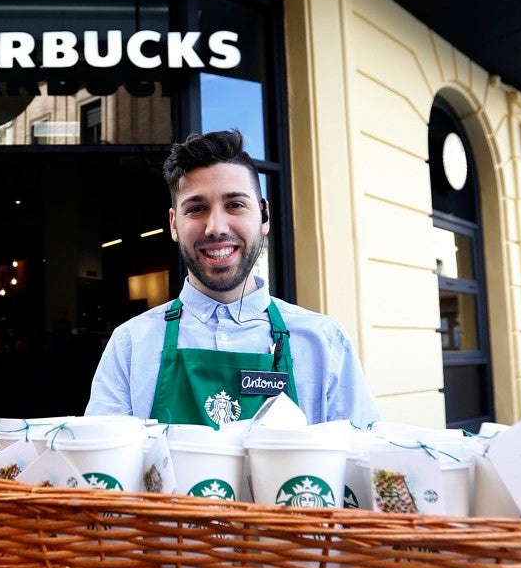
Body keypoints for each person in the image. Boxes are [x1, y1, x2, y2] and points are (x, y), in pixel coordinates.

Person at [85, 129, 380, 428]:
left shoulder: (325, 343)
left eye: (235, 205)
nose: (216, 227)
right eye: (197, 208)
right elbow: (103, 467)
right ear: (174, 224)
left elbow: (362, 467)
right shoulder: (130, 346)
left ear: (264, 216)